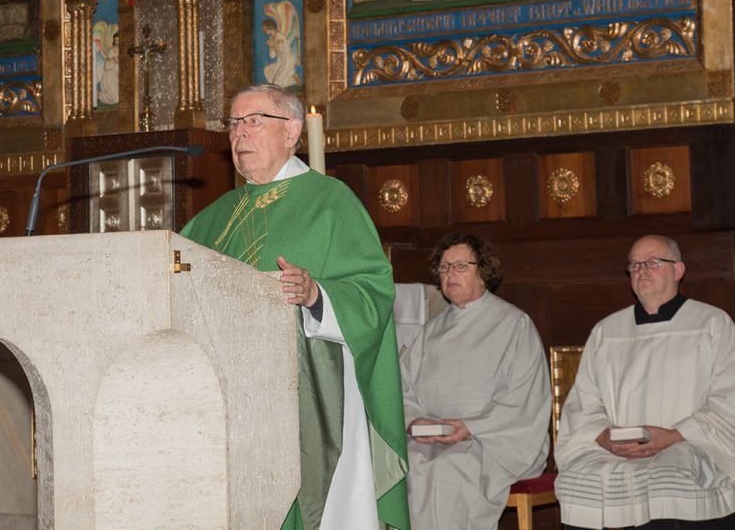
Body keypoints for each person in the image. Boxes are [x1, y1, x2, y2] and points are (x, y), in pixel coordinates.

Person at [181, 84, 410, 530]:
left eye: (253, 121)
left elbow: (373, 289)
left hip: (306, 400)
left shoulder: (330, 202)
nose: (239, 134)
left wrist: (315, 295)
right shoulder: (211, 218)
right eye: (233, 124)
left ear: (291, 132)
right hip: (220, 403)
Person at [555, 235, 735, 529]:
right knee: (581, 478)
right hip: (616, 449)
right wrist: (603, 437)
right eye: (635, 265)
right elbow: (585, 402)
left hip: (686, 442)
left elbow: (728, 399)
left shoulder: (712, 323)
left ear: (678, 270)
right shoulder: (607, 330)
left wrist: (673, 436)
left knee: (668, 474)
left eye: (653, 262)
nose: (642, 270)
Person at [400, 232, 551, 529]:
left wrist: (470, 427)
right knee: (402, 466)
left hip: (491, 442)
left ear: (483, 272)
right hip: (431, 441)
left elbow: (525, 398)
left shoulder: (512, 324)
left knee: (446, 470)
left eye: (459, 266)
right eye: (444, 268)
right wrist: (413, 422)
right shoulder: (429, 331)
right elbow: (403, 389)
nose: (449, 274)